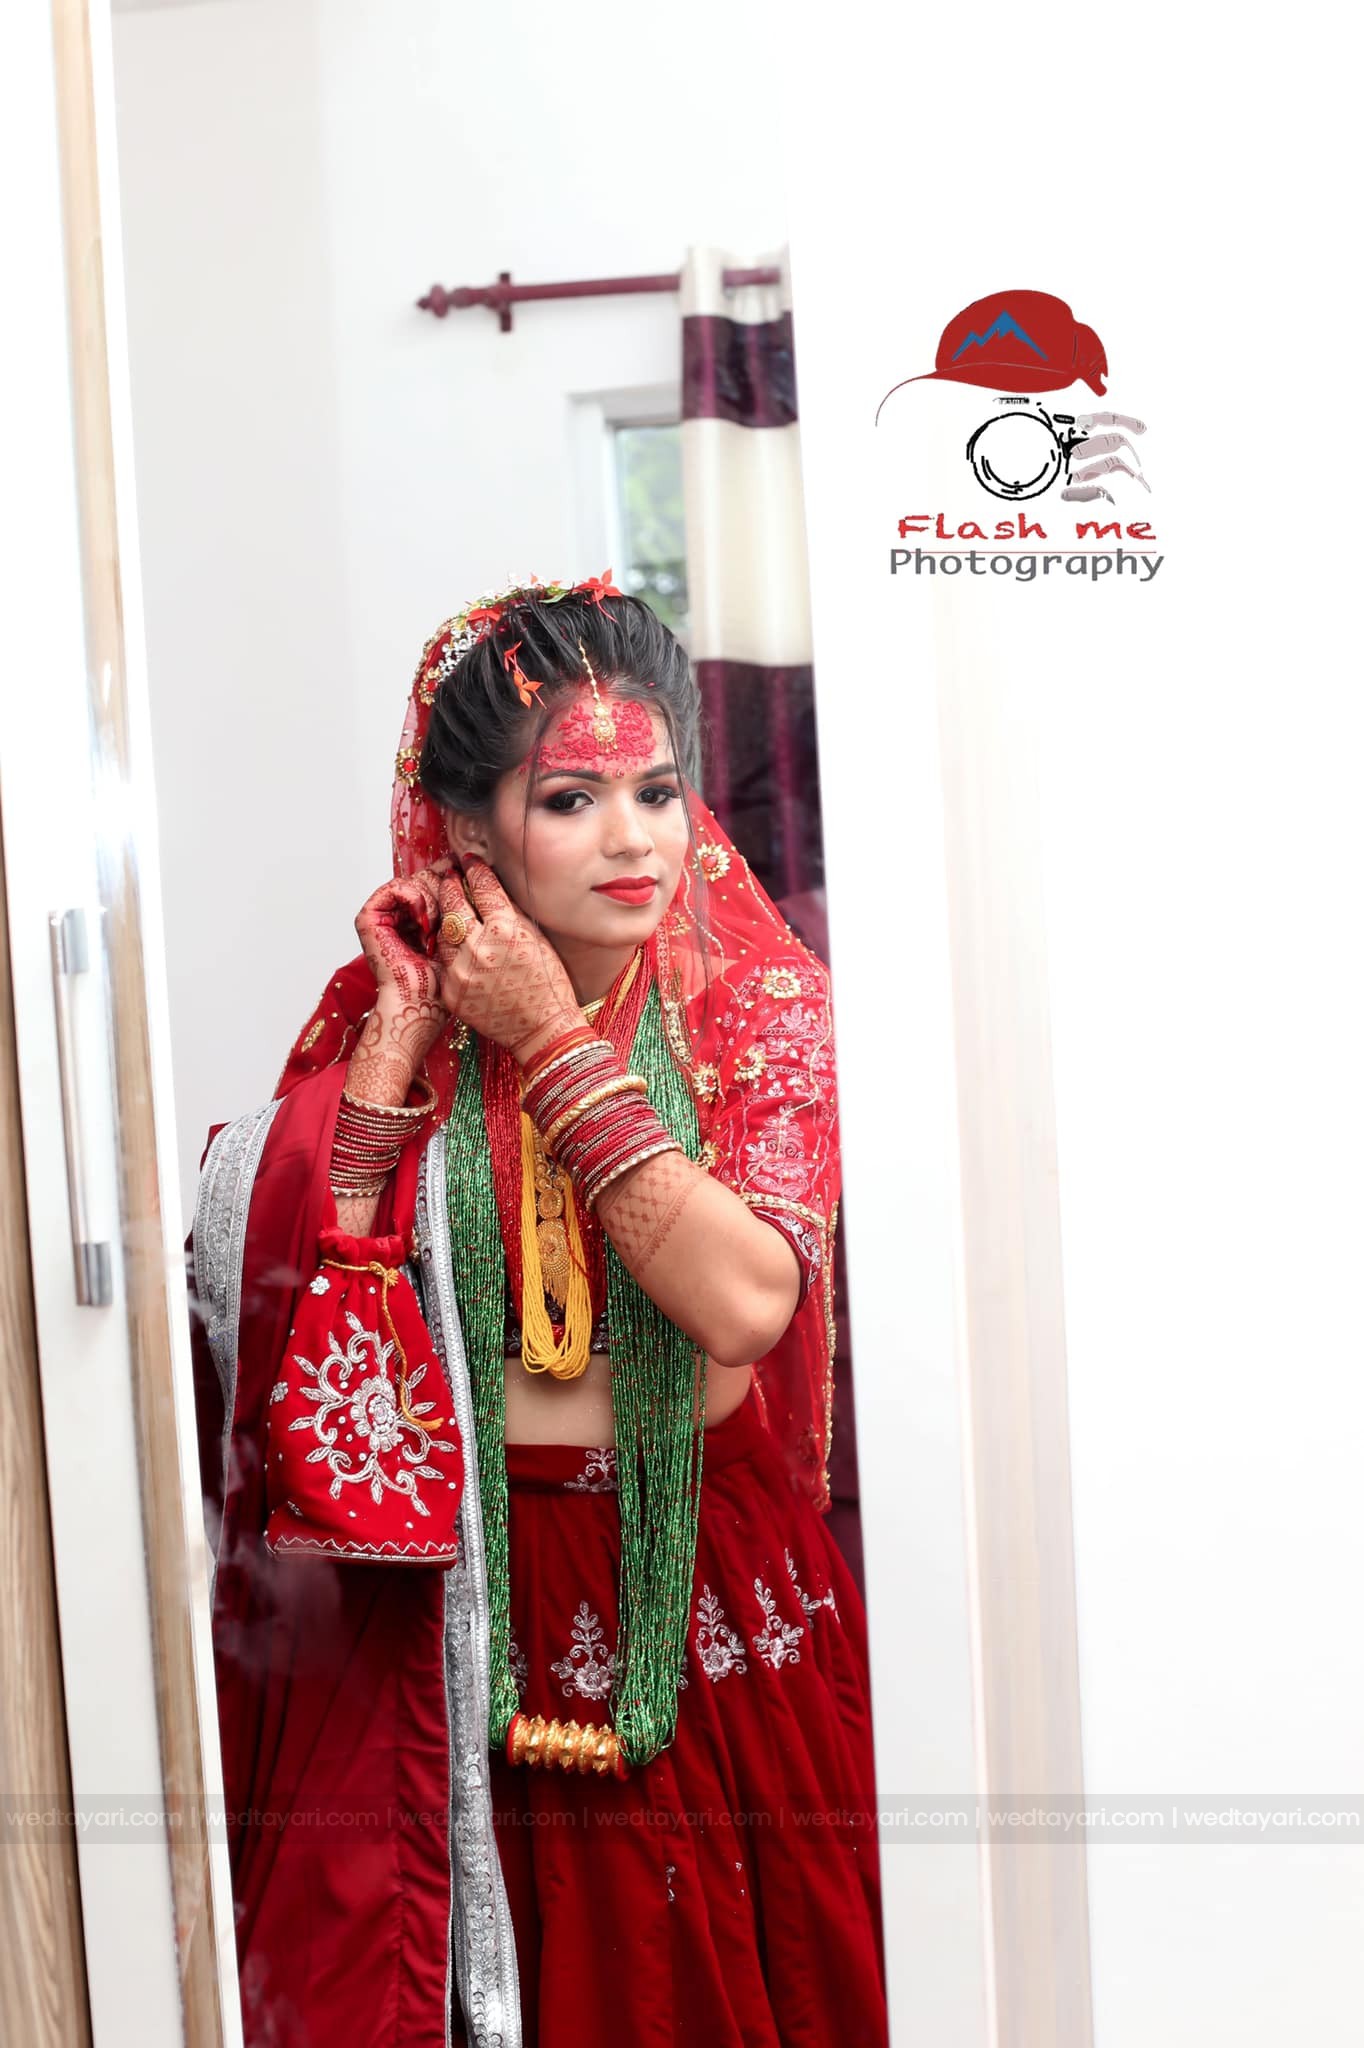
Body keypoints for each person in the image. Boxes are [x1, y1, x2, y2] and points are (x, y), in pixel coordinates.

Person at [189, 574, 887, 2047]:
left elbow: (743, 1304)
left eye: (658, 790)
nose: (636, 840)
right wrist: (389, 1064)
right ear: (464, 828)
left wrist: (552, 1039)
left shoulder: (758, 1010)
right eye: (572, 798)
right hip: (457, 1615)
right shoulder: (383, 1007)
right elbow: (284, 1305)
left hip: (696, 1594)